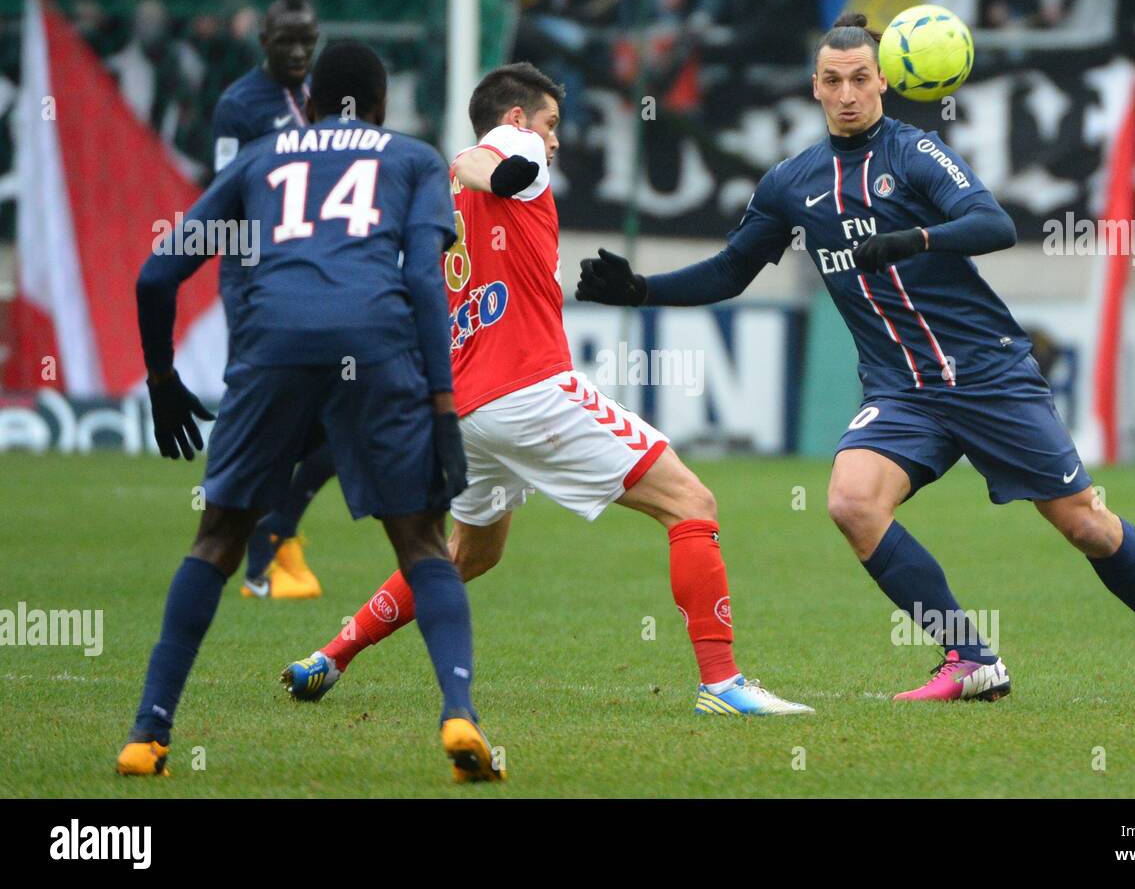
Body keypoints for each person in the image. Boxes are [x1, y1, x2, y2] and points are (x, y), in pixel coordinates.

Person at [575, 13, 1135, 705]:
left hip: (987, 372)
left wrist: (914, 239)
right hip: (902, 390)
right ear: (814, 87)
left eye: (861, 80)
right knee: (850, 501)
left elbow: (994, 223)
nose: (848, 94)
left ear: (883, 83)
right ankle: (970, 657)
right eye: (834, 81)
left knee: (1086, 522)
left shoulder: (915, 152)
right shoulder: (791, 183)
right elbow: (730, 271)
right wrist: (639, 291)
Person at [282, 62, 811, 717]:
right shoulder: (515, 147)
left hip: (465, 409)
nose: (554, 140)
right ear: (516, 119)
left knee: (471, 552)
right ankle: (723, 683)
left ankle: (331, 655)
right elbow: (498, 160)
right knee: (691, 501)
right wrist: (480, 160)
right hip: (529, 388)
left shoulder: (437, 197)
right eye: (551, 123)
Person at [116, 41, 505, 783]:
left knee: (217, 541)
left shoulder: (261, 155)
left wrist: (163, 377)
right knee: (423, 543)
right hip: (377, 341)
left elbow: (155, 273)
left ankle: (148, 733)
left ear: (312, 102)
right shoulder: (414, 159)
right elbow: (425, 281)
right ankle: (460, 716)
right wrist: (442, 403)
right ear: (382, 106)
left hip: (274, 346)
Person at [211, 0, 331, 600]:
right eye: (286, 40)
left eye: (306, 40)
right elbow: (225, 198)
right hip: (259, 281)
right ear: (263, 37)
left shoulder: (323, 99)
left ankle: (273, 533)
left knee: (338, 417)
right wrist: (249, 282)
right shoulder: (240, 106)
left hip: (317, 276)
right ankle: (250, 552)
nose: (297, 52)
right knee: (274, 415)